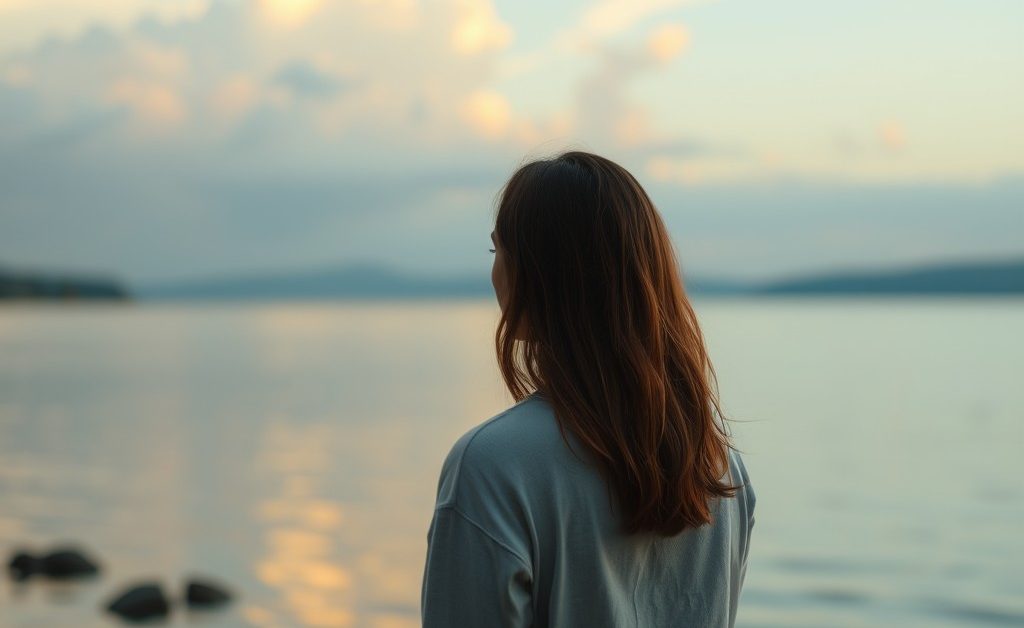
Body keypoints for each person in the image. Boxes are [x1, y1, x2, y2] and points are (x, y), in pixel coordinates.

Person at [420, 151, 755, 627]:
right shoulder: (718, 468)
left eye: (499, 252)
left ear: (539, 273)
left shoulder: (493, 467)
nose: (494, 272)